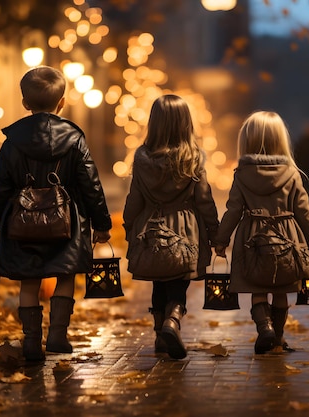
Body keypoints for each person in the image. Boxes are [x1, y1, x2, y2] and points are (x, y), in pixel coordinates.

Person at [0, 66, 112, 361]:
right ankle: (58, 336)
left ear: (25, 103)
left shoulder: (11, 142)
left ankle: (31, 341)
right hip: (67, 220)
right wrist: (101, 223)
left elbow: (1, 186)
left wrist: (2, 220)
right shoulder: (74, 139)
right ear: (62, 102)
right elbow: (90, 183)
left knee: (29, 280)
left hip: (23, 221)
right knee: (65, 274)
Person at [123, 94, 219, 360]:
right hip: (184, 229)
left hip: (150, 227)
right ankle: (172, 322)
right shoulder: (193, 158)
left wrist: (128, 223)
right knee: (178, 280)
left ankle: (159, 334)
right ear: (185, 124)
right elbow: (204, 199)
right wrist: (214, 231)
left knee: (158, 280)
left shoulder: (142, 159)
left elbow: (135, 198)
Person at [214, 111, 309, 353]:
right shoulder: (291, 174)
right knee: (281, 289)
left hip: (252, 238)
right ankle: (279, 338)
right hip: (287, 238)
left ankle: (264, 329)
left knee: (258, 287)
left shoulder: (241, 175)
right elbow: (303, 210)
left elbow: (233, 210)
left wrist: (221, 239)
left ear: (247, 140)